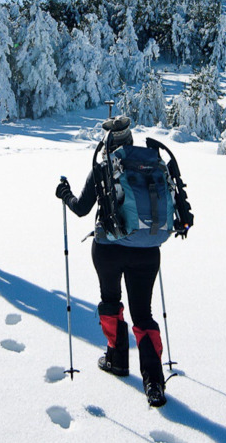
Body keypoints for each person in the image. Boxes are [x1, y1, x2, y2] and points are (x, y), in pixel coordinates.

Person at [55, 115, 185, 408]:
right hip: (149, 251)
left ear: (107, 144)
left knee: (110, 301)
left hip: (109, 250)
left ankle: (117, 359)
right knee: (143, 314)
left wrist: (65, 194)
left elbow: (81, 209)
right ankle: (153, 382)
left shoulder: (102, 168)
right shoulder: (152, 164)